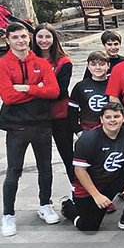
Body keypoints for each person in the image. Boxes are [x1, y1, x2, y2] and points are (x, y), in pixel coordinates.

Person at [0, 22, 60, 236]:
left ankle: (45, 204)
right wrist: (38, 89)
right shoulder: (3, 64)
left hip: (41, 123)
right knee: (14, 171)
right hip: (16, 126)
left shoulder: (41, 63)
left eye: (24, 36)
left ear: (29, 38)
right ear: (8, 40)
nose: (21, 41)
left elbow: (54, 91)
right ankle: (8, 214)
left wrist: (25, 88)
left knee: (45, 167)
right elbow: (8, 96)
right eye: (15, 37)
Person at [61, 102, 124, 233]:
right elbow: (80, 171)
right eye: (108, 117)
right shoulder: (88, 139)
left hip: (112, 179)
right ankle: (69, 208)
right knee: (89, 227)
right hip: (90, 187)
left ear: (123, 118)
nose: (112, 120)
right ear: (101, 119)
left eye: (116, 116)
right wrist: (96, 195)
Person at [32, 24, 74, 182]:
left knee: (68, 155)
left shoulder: (63, 62)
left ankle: (77, 190)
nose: (44, 40)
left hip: (60, 115)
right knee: (43, 160)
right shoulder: (29, 60)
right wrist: (43, 88)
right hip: (37, 117)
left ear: (54, 39)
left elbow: (60, 92)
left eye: (47, 36)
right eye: (40, 36)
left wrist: (34, 89)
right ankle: (45, 195)